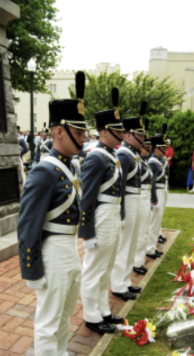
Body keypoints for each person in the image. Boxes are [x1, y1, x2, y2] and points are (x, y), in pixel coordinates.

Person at [17, 71, 90, 356]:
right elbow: (28, 224)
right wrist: (32, 270)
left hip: (68, 247)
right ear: (60, 131)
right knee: (49, 314)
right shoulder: (45, 170)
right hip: (51, 250)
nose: (84, 137)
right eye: (79, 131)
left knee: (65, 310)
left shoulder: (69, 166)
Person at [79, 88, 124, 335]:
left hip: (112, 214)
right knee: (94, 268)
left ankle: (103, 310)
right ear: (104, 131)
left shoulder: (111, 154)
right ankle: (91, 315)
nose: (121, 135)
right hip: (102, 215)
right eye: (117, 131)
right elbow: (87, 199)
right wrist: (87, 231)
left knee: (106, 266)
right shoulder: (97, 157)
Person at [111, 101, 147, 301]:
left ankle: (124, 281)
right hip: (128, 203)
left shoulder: (133, 154)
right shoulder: (124, 155)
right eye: (139, 135)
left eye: (142, 135)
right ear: (127, 135)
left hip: (136, 201)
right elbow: (120, 186)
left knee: (131, 244)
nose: (142, 138)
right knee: (124, 245)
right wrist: (122, 212)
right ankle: (118, 284)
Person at [133, 118, 153, 275]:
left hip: (145, 195)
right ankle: (137, 261)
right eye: (146, 146)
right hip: (139, 196)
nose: (148, 149)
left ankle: (138, 260)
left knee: (144, 230)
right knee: (139, 232)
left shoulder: (143, 161)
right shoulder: (138, 160)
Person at [146, 124, 167, 259]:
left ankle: (152, 246)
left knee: (157, 221)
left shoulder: (158, 160)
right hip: (157, 192)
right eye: (162, 147)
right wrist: (154, 199)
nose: (165, 150)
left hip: (161, 190)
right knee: (153, 223)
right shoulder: (153, 162)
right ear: (156, 148)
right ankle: (150, 248)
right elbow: (151, 182)